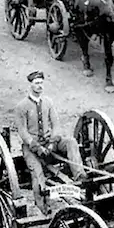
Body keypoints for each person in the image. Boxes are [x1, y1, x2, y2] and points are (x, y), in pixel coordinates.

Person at [14, 70, 87, 215]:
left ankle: (79, 177)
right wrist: (36, 147)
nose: (39, 86)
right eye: (36, 83)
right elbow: (23, 132)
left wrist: (53, 142)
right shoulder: (21, 107)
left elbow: (56, 125)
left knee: (71, 142)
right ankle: (42, 205)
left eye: (41, 83)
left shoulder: (48, 102)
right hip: (31, 149)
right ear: (30, 85)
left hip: (50, 143)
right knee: (37, 172)